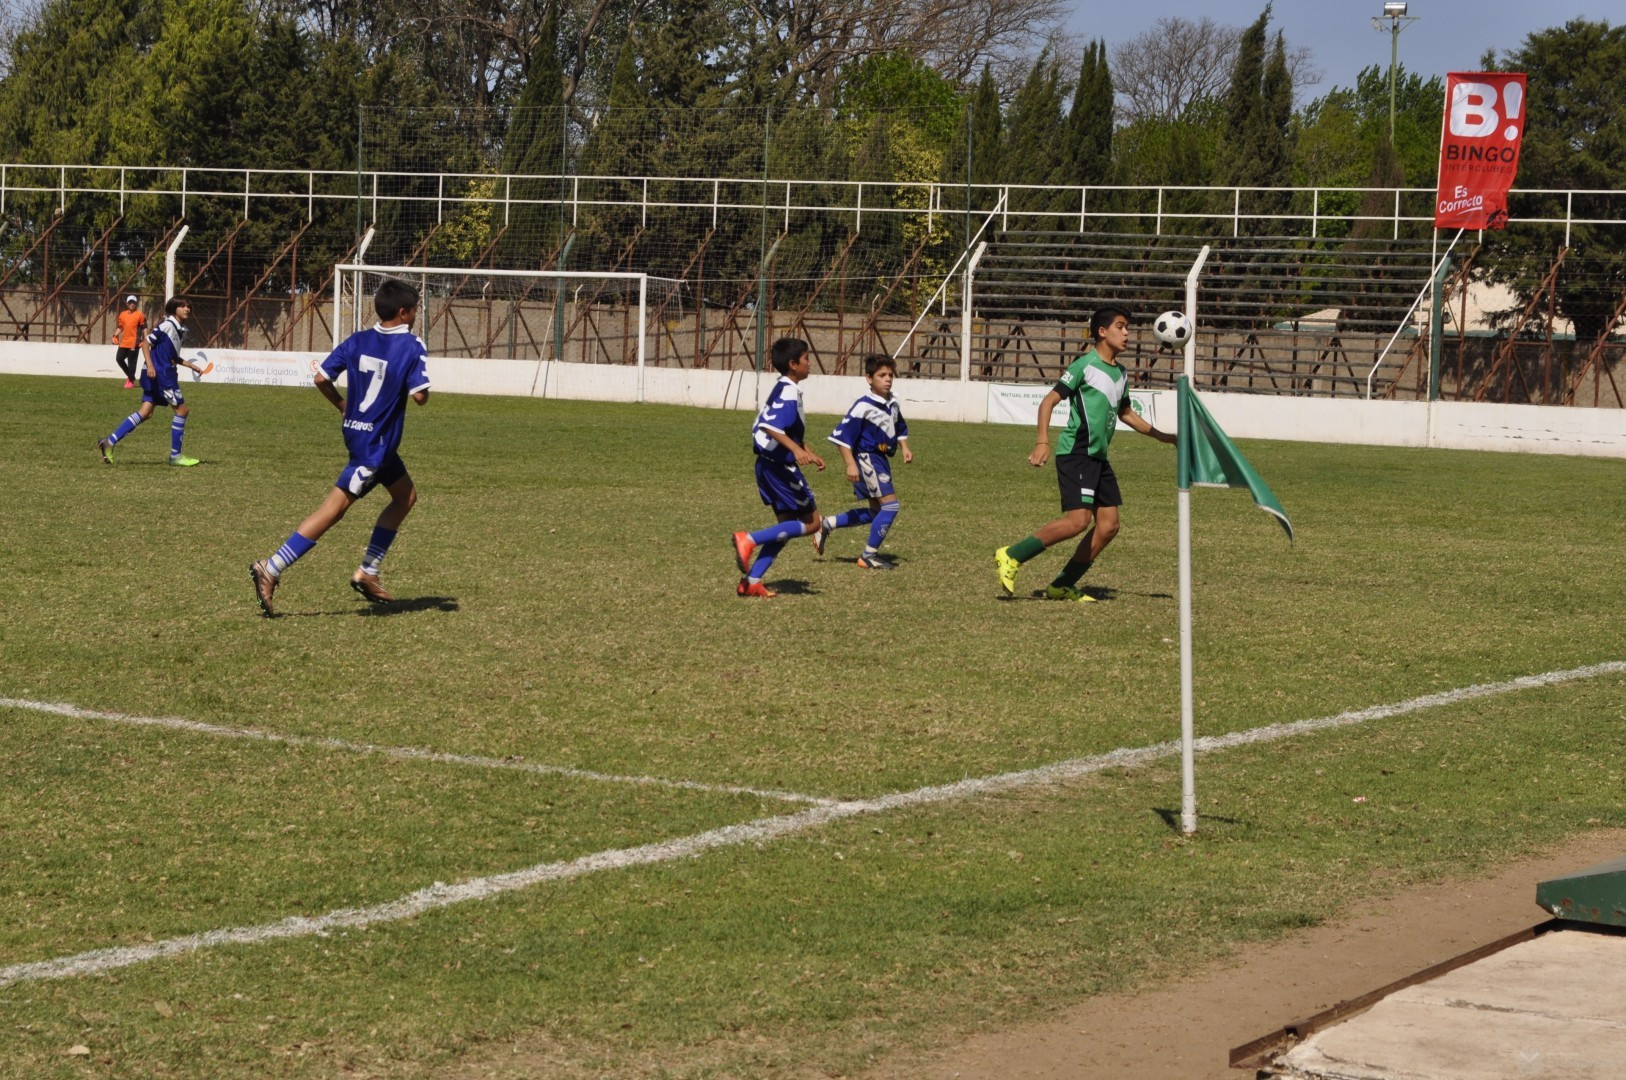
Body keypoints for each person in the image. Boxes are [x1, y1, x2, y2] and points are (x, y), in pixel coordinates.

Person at [248, 277, 430, 617]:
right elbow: (420, 396)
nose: (416, 315)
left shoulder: (358, 339)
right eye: (415, 310)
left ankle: (369, 570)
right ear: (404, 312)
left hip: (361, 435)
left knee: (405, 496)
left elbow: (321, 377)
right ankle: (270, 568)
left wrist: (343, 405)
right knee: (334, 509)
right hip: (374, 446)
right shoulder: (412, 344)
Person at [994, 305, 1176, 601]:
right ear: (1102, 332)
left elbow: (1126, 413)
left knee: (1109, 526)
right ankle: (1012, 555)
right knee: (1077, 521)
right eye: (1121, 326)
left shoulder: (1121, 373)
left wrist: (1164, 437)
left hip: (1099, 459)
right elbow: (1048, 402)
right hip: (1076, 454)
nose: (1127, 333)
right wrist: (1042, 442)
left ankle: (1062, 585)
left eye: (1127, 328)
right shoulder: (1084, 366)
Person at [730, 337, 826, 598]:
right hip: (780, 468)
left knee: (785, 527)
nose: (810, 363)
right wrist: (796, 451)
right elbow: (770, 426)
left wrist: (807, 451)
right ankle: (748, 539)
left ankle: (752, 582)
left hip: (767, 465)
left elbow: (785, 428)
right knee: (812, 523)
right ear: (793, 364)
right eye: (806, 359)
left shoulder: (784, 387)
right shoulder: (789, 392)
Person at [815, 353, 913, 570]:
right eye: (882, 375)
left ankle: (827, 523)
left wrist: (904, 447)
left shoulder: (892, 403)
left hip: (880, 459)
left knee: (876, 512)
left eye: (890, 375)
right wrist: (850, 463)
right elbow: (841, 437)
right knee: (891, 506)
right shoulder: (863, 406)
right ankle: (868, 556)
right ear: (869, 378)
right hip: (867, 459)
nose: (887, 379)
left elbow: (899, 427)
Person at [96, 296, 207, 466]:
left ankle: (109, 442)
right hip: (162, 374)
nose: (187, 309)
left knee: (146, 412)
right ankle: (176, 456)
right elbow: (146, 343)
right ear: (174, 308)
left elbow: (172, 356)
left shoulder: (180, 329)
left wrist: (191, 365)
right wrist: (150, 365)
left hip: (159, 373)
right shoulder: (167, 325)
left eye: (188, 306)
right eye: (182, 306)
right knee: (182, 411)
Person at [111, 294, 146, 388]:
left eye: (134, 302)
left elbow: (144, 328)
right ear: (127, 303)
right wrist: (115, 336)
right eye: (130, 302)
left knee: (132, 363)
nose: (132, 304)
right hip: (124, 342)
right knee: (119, 359)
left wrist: (145, 340)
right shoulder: (123, 314)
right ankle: (131, 376)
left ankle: (130, 381)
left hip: (135, 343)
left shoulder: (140, 315)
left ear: (136, 304)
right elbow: (120, 327)